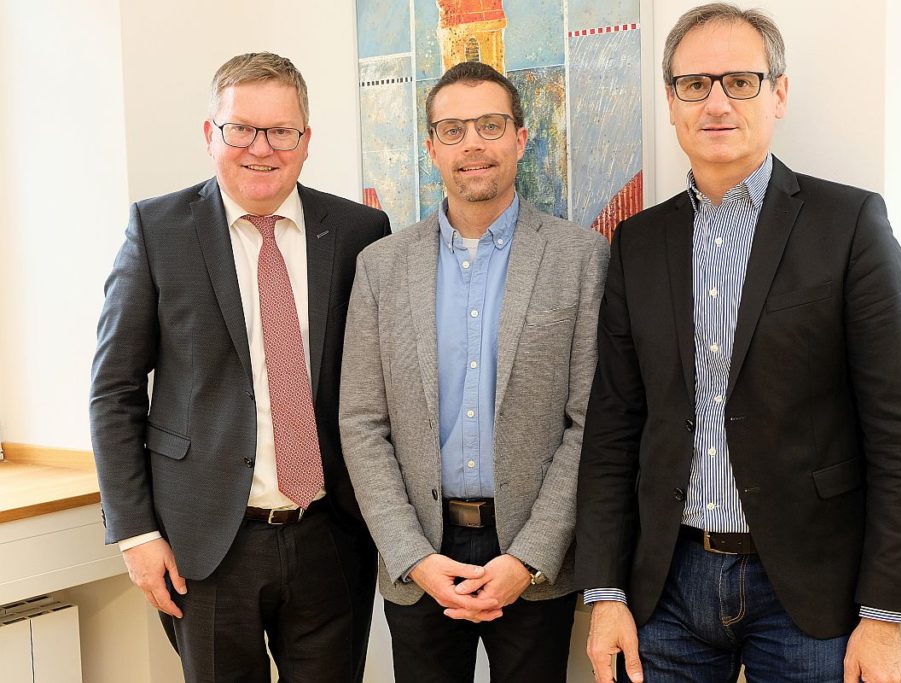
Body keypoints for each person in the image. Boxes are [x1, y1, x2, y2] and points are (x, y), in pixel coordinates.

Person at [575, 5, 901, 683]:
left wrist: (884, 613)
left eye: (739, 81)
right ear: (671, 100)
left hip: (807, 591)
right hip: (667, 588)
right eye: (694, 84)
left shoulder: (850, 225)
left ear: (778, 93)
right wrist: (605, 592)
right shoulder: (637, 244)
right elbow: (613, 427)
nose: (716, 101)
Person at [89, 52, 389, 683]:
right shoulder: (158, 229)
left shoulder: (361, 230)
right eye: (241, 129)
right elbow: (115, 390)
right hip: (204, 543)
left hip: (332, 535)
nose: (261, 148)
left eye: (281, 131)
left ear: (305, 141)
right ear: (210, 134)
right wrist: (135, 533)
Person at [339, 60, 608, 683]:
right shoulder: (380, 267)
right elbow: (361, 423)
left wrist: (531, 556)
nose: (473, 145)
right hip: (421, 553)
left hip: (533, 557)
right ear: (430, 146)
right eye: (453, 130)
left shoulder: (581, 258)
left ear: (520, 136)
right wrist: (411, 556)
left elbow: (589, 423)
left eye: (490, 125)